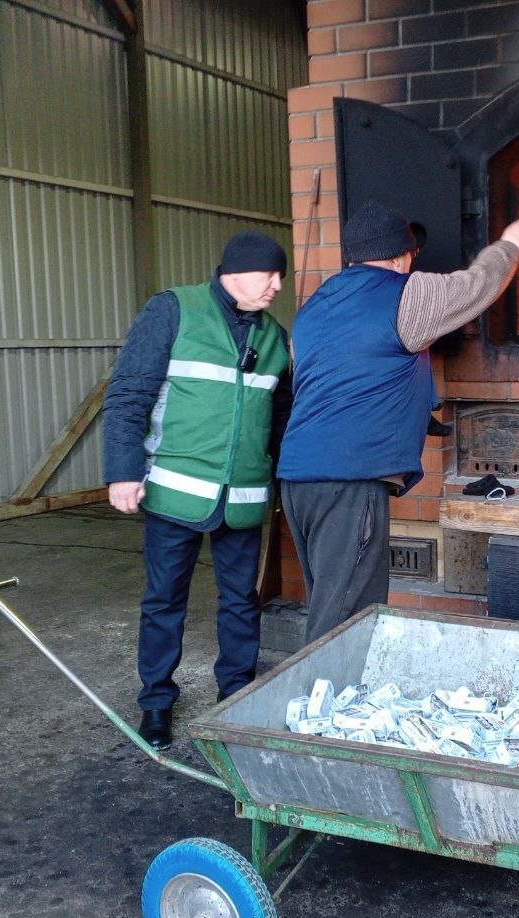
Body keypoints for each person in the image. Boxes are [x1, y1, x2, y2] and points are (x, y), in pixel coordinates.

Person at [277, 200, 519, 643]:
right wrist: (509, 244)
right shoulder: (405, 293)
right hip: (349, 482)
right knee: (345, 620)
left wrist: (416, 413)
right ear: (401, 255)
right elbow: (477, 286)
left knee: (328, 600)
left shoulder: (313, 308)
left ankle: (320, 699)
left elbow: (342, 379)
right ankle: (320, 706)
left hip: (299, 479)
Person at [102, 231, 293, 750]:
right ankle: (157, 703)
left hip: (246, 498)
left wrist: (291, 481)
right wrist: (123, 471)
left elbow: (280, 420)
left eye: (281, 276)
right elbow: (127, 394)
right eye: (269, 275)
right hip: (175, 492)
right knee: (164, 599)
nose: (278, 286)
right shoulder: (173, 310)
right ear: (235, 270)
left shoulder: (273, 338)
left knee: (241, 603)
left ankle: (236, 696)